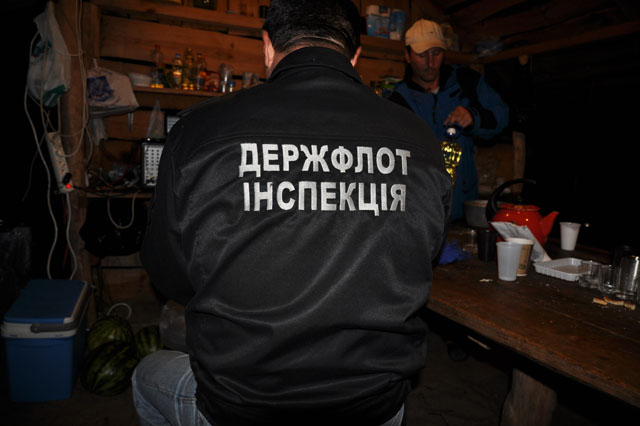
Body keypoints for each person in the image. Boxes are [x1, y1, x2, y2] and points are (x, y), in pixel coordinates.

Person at [134, 1, 452, 425]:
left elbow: (168, 272)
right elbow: (423, 256)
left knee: (144, 375)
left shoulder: (198, 130)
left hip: (243, 403)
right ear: (355, 56)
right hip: (373, 402)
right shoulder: (420, 140)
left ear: (267, 47)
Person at [389, 19, 509, 221]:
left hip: (464, 206)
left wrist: (474, 117)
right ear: (407, 56)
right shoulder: (398, 100)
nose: (430, 63)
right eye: (422, 55)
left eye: (436, 53)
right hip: (421, 210)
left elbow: (503, 115)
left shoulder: (466, 81)